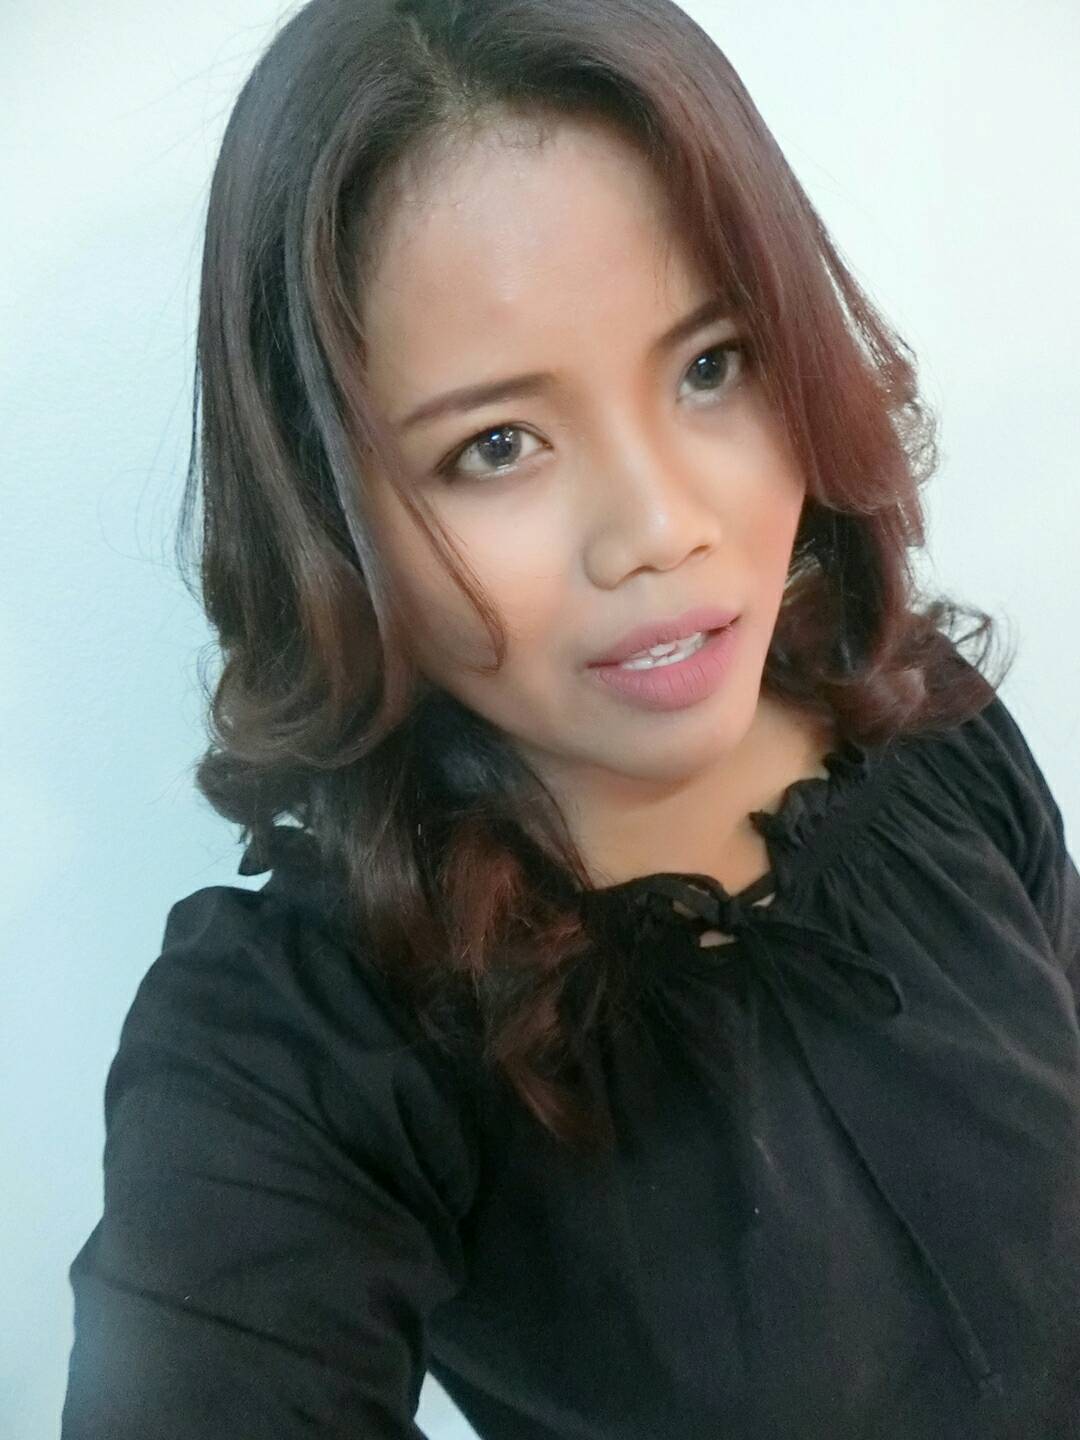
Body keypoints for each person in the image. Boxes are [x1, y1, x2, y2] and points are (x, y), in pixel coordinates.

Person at [61, 0, 1080, 1436]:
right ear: (328, 511)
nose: (660, 528)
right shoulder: (303, 1044)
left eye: (713, 364)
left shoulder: (926, 722)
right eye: (497, 446)